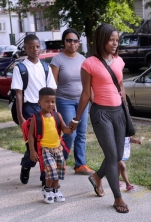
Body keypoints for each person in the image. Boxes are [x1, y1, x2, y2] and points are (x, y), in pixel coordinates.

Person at [69, 24, 129, 213]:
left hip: (119, 112)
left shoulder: (119, 61)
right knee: (112, 155)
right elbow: (86, 93)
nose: (115, 43)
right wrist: (77, 118)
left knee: (118, 155)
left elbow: (121, 88)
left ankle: (96, 177)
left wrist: (126, 112)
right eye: (111, 39)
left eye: (117, 40)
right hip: (101, 113)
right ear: (102, 39)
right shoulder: (89, 63)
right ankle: (118, 198)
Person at [11, 34, 57, 185]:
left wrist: (54, 113)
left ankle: (45, 178)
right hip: (28, 109)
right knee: (35, 146)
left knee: (47, 145)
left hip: (45, 109)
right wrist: (20, 117)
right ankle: (26, 165)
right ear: (25, 48)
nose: (35, 49)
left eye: (37, 46)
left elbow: (51, 92)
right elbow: (19, 94)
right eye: (31, 47)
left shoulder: (45, 67)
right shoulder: (20, 68)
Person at [50, 28, 94, 176]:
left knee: (81, 133)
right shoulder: (57, 59)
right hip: (65, 101)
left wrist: (93, 100)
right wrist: (51, 106)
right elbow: (52, 84)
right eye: (68, 40)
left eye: (75, 40)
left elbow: (88, 83)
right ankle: (59, 162)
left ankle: (80, 164)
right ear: (64, 42)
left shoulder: (83, 59)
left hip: (82, 101)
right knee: (70, 133)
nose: (72, 43)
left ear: (79, 43)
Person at [28, 87, 72, 204]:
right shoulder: (36, 118)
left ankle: (55, 190)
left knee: (58, 170)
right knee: (50, 171)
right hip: (45, 149)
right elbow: (31, 135)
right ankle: (47, 190)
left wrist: (71, 128)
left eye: (52, 101)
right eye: (46, 101)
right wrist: (32, 151)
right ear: (39, 103)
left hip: (58, 148)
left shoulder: (57, 116)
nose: (50, 104)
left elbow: (65, 130)